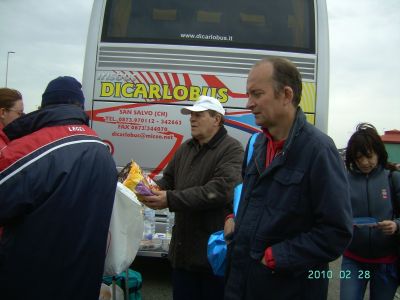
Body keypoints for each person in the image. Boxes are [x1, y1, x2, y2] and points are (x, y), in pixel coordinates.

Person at [224, 57, 353, 300]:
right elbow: (248, 198)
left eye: (257, 94)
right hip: (243, 284)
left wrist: (277, 257)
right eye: (248, 94)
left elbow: (336, 232)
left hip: (288, 289)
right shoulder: (258, 144)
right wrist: (233, 217)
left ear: (286, 95)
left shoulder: (319, 150)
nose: (248, 103)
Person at [0, 76, 117, 300]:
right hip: (83, 280)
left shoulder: (27, 149)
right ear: (80, 106)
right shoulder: (101, 150)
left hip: (31, 282)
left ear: (45, 106)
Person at [140, 95, 243, 300]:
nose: (192, 119)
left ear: (217, 119)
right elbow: (168, 180)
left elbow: (220, 190)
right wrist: (147, 189)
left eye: (199, 115)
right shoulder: (186, 148)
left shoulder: (232, 149)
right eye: (191, 115)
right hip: (183, 254)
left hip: (212, 257)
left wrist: (170, 199)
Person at [340, 123, 400, 300]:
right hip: (353, 260)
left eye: (369, 156)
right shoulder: (344, 180)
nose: (365, 162)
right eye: (359, 158)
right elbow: (333, 213)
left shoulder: (393, 177)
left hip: (387, 262)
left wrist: (396, 225)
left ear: (378, 152)